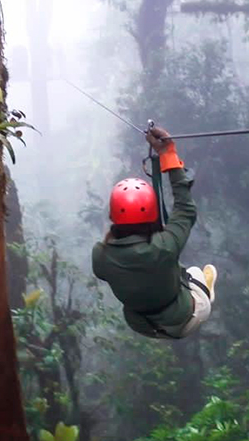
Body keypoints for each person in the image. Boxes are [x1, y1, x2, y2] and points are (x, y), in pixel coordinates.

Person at [92, 126, 217, 339]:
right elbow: (185, 210)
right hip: (186, 319)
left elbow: (106, 272)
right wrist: (168, 153)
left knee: (167, 274)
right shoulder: (163, 246)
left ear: (113, 215)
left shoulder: (101, 255)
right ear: (151, 213)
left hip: (143, 325)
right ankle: (204, 287)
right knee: (195, 273)